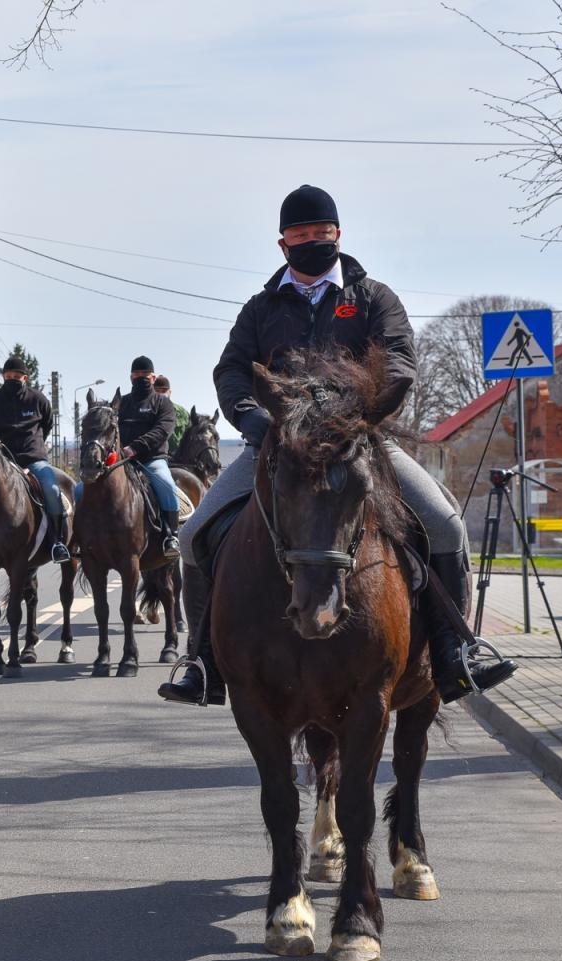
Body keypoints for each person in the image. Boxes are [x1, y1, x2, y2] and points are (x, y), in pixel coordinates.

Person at [160, 184, 516, 706]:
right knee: (193, 536)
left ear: (338, 236)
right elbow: (232, 368)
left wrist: (365, 410)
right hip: (277, 445)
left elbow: (399, 359)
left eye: (320, 234)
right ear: (282, 244)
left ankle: (453, 652)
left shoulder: (373, 299)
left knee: (444, 524)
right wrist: (250, 416)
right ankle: (202, 660)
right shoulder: (261, 308)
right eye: (300, 235)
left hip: (358, 442)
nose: (311, 241)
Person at [0, 354, 70, 563]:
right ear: (3, 377)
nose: (12, 379)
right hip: (0, 462)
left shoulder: (38, 400)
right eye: (8, 376)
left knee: (52, 490)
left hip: (33, 460)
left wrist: (35, 446)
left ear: (25, 378)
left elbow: (47, 424)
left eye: (17, 376)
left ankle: (57, 541)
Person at [118, 356, 182, 557]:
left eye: (145, 375)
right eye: (137, 375)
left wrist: (135, 448)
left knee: (167, 485)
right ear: (131, 377)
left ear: (153, 378)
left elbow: (162, 430)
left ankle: (171, 535)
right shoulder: (123, 402)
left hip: (152, 460)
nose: (141, 377)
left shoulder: (162, 403)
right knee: (86, 487)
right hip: (122, 460)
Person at [154, 374, 191, 452]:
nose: (161, 393)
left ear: (170, 392)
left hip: (179, 458)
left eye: (164, 391)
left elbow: (191, 437)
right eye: (157, 391)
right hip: (155, 456)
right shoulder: (147, 410)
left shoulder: (182, 412)